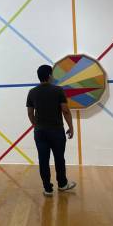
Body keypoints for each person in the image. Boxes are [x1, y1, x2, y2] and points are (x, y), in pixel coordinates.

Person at [26, 65, 77, 197]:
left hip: (40, 132)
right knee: (59, 158)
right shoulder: (58, 90)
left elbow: (30, 113)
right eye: (52, 74)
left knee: (43, 160)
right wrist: (71, 127)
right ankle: (62, 184)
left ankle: (47, 189)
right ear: (49, 76)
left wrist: (36, 125)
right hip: (56, 131)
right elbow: (65, 110)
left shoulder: (32, 92)